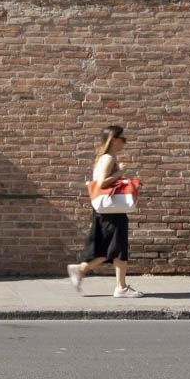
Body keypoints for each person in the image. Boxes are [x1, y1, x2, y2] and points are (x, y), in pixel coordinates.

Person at [68, 123, 138, 297]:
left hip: (108, 210)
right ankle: (120, 288)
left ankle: (82, 270)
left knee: (112, 249)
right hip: (111, 211)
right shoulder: (108, 158)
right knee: (118, 249)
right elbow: (101, 182)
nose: (125, 141)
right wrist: (120, 173)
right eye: (122, 138)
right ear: (113, 140)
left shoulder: (106, 158)